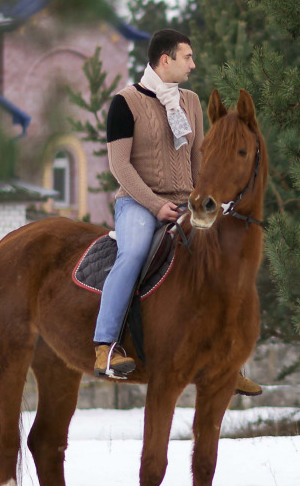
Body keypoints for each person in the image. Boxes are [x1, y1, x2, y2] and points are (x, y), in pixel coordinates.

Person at [95, 29, 262, 396]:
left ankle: (229, 361)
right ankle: (106, 346)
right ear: (165, 59)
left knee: (224, 259)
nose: (193, 64)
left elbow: (198, 157)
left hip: (186, 201)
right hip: (138, 203)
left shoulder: (189, 101)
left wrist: (202, 200)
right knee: (135, 251)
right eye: (187, 57)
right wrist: (156, 205)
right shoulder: (125, 102)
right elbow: (119, 166)